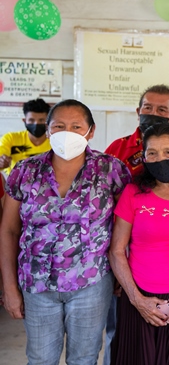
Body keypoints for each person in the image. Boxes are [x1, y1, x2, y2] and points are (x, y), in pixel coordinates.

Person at [0, 99, 131, 365]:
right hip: (36, 284)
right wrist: (9, 287)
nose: (67, 132)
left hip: (92, 283)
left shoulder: (111, 171)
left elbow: (125, 226)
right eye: (59, 126)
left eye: (76, 126)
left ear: (90, 131)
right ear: (48, 130)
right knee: (40, 359)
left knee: (84, 359)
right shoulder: (25, 171)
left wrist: (122, 272)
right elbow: (9, 230)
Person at [103, 84, 169, 365]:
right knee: (120, 342)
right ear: (138, 111)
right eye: (147, 108)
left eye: (161, 109)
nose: (152, 113)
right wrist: (125, 284)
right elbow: (112, 226)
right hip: (130, 273)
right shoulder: (116, 150)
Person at [0, 98, 51, 176]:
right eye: (31, 120)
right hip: (16, 185)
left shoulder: (55, 140)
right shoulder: (11, 138)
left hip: (48, 185)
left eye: (41, 120)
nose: (36, 124)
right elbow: (1, 156)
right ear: (24, 121)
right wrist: (2, 162)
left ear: (48, 121)